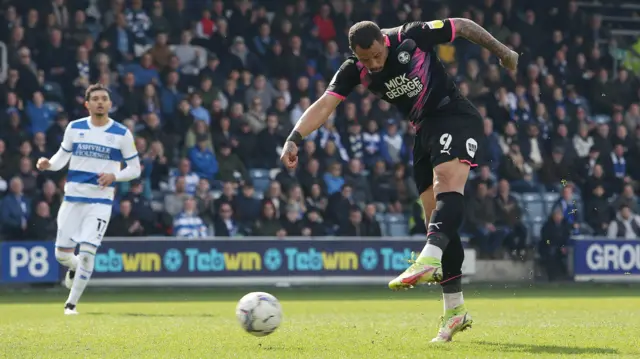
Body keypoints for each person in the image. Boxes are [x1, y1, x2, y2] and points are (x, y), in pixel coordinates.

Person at [280, 19, 518, 342]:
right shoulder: (355, 70)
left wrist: (502, 52)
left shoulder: (412, 35)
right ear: (355, 54)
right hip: (423, 132)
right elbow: (325, 103)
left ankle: (428, 258)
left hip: (454, 115)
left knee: (447, 183)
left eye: (377, 55)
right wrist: (294, 138)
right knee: (435, 218)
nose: (374, 64)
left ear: (383, 41)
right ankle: (455, 311)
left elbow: (460, 26)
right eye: (367, 60)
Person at [36, 84, 141, 315]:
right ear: (87, 104)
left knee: (87, 253)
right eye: (95, 99)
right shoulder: (75, 128)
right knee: (61, 256)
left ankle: (70, 305)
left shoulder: (122, 133)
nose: (100, 102)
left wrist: (115, 175)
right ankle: (72, 268)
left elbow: (135, 169)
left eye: (104, 98)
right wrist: (49, 165)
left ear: (110, 104)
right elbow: (61, 157)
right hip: (72, 200)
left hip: (100, 203)